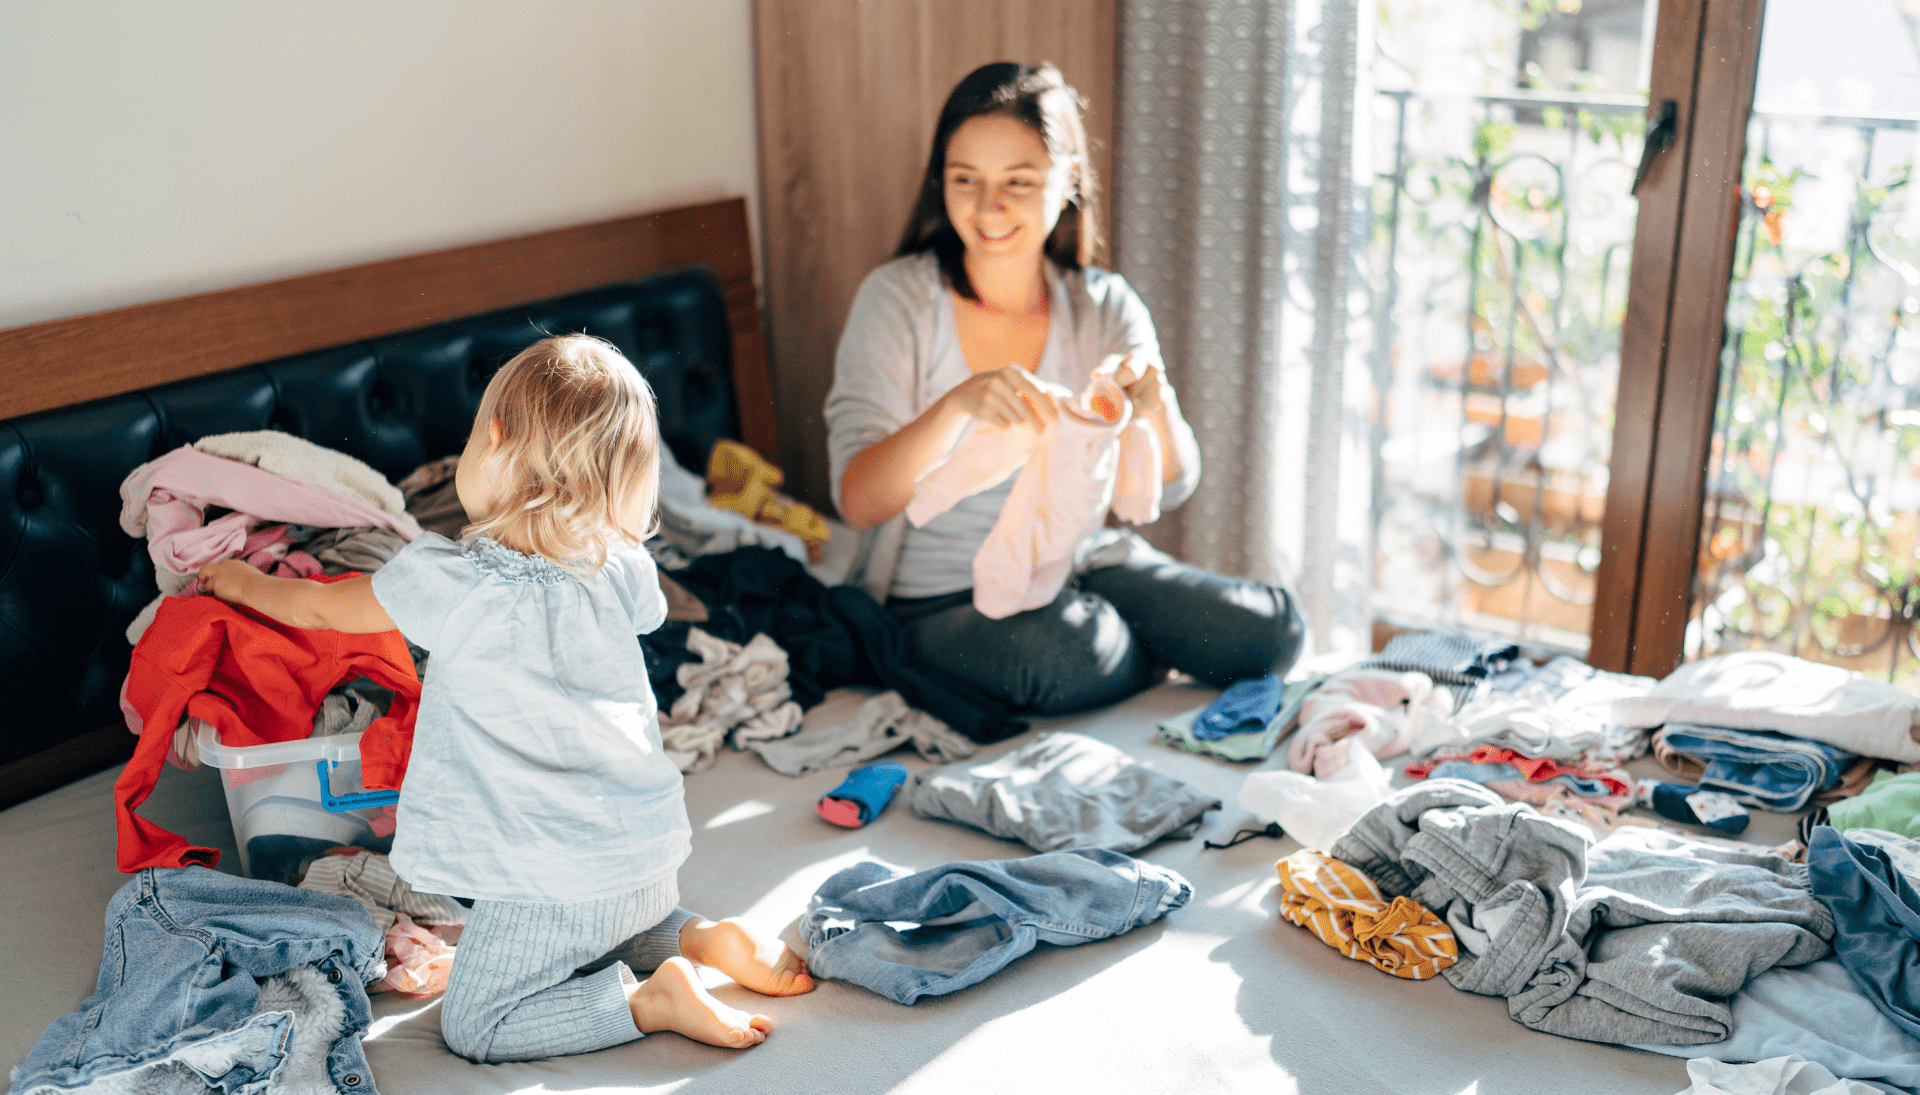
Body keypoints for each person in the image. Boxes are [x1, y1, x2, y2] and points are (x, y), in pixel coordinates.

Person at [198, 335, 813, 1064]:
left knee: (476, 1022)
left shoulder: (451, 581)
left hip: (552, 881)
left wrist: (236, 581)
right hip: (646, 858)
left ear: (493, 442)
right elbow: (647, 610)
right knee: (597, 926)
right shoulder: (622, 567)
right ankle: (700, 936)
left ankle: (647, 1000)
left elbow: (319, 607)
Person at [826, 61, 1304, 715]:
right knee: (1063, 656)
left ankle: (1121, 637)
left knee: (1272, 632)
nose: (988, 207)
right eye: (965, 179)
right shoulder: (897, 301)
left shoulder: (1104, 306)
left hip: (1080, 566)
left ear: (1068, 180)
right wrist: (956, 405)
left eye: (1017, 182)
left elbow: (1172, 483)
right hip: (937, 600)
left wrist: (1154, 406)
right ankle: (1129, 641)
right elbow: (857, 501)